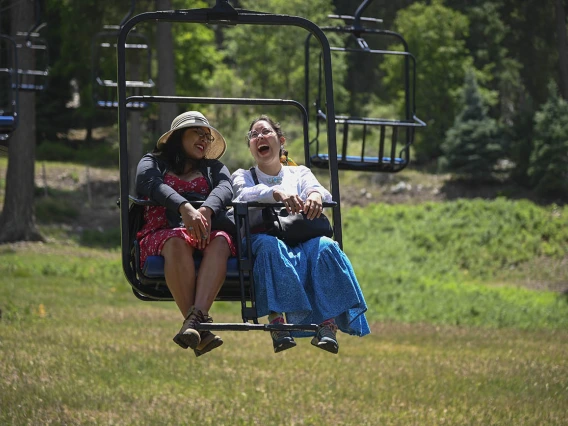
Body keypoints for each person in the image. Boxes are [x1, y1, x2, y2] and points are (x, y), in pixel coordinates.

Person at [231, 115, 370, 355]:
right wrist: (276, 193)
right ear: (251, 147)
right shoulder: (243, 176)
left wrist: (314, 194)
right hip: (263, 239)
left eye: (265, 132)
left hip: (300, 239)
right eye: (254, 135)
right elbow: (243, 195)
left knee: (327, 246)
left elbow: (322, 193)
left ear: (280, 140)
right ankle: (278, 322)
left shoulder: (298, 173)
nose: (259, 138)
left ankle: (327, 324)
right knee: (270, 247)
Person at [135, 111, 236, 357]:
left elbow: (226, 187)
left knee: (222, 241)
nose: (204, 139)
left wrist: (206, 210)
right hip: (162, 233)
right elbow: (148, 182)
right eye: (197, 133)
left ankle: (193, 324)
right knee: (177, 241)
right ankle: (200, 324)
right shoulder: (154, 162)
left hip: (204, 231)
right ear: (179, 136)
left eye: (207, 136)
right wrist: (184, 208)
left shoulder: (213, 169)